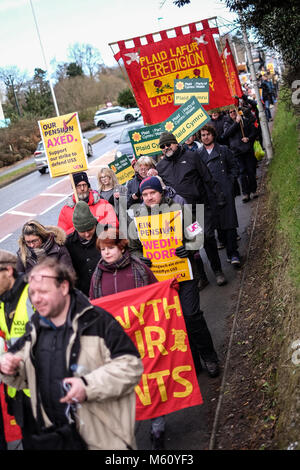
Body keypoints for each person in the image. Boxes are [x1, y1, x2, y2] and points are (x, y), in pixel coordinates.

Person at [0, 258, 143, 450]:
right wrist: (10, 368)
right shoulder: (35, 328)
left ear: (64, 287)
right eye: (32, 293)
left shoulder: (96, 320)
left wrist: (87, 386)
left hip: (100, 439)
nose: (36, 299)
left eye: (43, 292)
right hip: (55, 439)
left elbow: (131, 366)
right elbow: (24, 377)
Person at [128, 176, 220, 377]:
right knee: (174, 323)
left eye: (152, 193)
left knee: (191, 316)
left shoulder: (179, 210)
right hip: (159, 282)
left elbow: (198, 235)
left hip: (184, 275)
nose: (149, 197)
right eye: (145, 195)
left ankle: (210, 357)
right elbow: (133, 249)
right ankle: (192, 361)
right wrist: (141, 259)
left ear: (160, 193)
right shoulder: (136, 218)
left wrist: (188, 248)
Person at [156, 131, 227, 288]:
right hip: (180, 214)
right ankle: (201, 276)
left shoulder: (192, 156)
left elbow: (207, 177)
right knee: (191, 245)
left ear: (175, 143)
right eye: (162, 146)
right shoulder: (160, 167)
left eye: (168, 144)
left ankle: (218, 271)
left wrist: (219, 196)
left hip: (199, 207)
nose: (166, 148)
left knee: (207, 238)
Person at [0, 249, 36, 450]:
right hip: (18, 391)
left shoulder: (33, 293)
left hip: (42, 390)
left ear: (8, 271)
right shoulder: (2, 300)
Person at [199, 125, 241, 268]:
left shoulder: (223, 150)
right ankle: (224, 243)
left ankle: (233, 253)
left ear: (213, 135)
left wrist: (229, 182)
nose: (206, 137)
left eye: (208, 134)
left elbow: (234, 166)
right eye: (203, 135)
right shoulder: (198, 155)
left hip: (225, 191)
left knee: (229, 223)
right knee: (218, 225)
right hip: (210, 195)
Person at [65, 201, 104, 297]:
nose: (87, 234)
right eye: (82, 231)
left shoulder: (106, 233)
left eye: (90, 229)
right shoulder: (68, 243)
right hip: (84, 294)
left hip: (106, 290)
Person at [222, 108, 258, 202]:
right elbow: (226, 134)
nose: (233, 113)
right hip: (236, 152)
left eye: (234, 111)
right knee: (242, 173)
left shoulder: (245, 121)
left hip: (247, 150)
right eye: (230, 112)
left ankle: (253, 190)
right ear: (228, 114)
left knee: (251, 171)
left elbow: (254, 132)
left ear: (238, 112)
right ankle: (245, 193)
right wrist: (236, 123)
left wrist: (248, 138)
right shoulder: (227, 123)